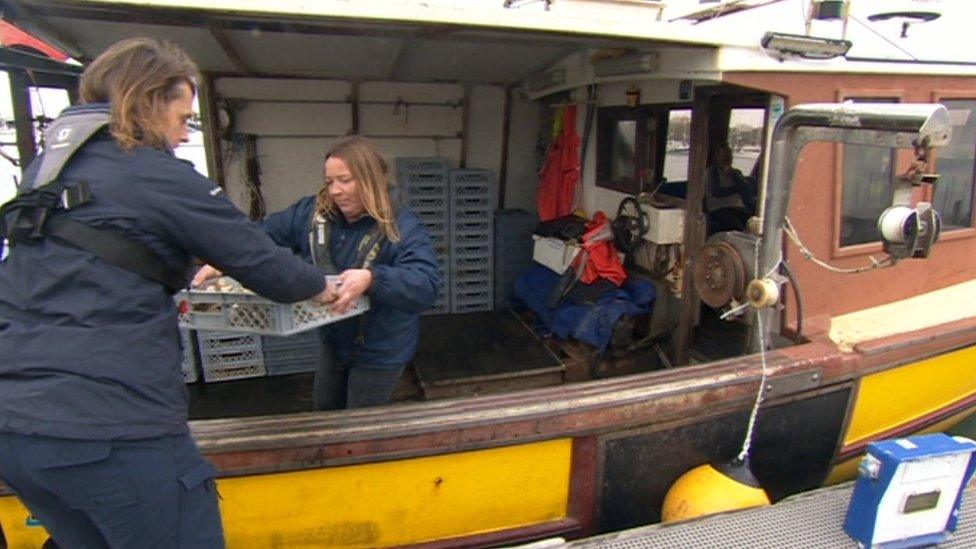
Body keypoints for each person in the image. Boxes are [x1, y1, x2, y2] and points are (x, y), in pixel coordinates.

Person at [0, 38, 333, 548]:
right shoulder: (153, 172)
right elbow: (272, 269)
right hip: (110, 431)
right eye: (182, 117)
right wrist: (326, 286)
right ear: (148, 101)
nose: (182, 135)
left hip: (18, 432)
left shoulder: (49, 172)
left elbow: (104, 257)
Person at [194, 136, 441, 410]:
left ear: (371, 179)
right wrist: (225, 260)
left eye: (345, 180)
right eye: (330, 181)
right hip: (333, 341)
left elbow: (426, 285)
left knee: (360, 421)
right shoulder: (310, 214)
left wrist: (373, 278)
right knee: (325, 410)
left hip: (381, 349)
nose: (335, 190)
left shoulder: (403, 225)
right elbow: (262, 237)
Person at [704, 144, 757, 232]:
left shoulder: (736, 172)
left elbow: (748, 192)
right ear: (716, 156)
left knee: (752, 224)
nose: (727, 158)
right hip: (720, 208)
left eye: (729, 155)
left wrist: (735, 176)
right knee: (735, 226)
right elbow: (716, 192)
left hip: (739, 208)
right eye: (724, 155)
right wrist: (736, 189)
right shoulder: (712, 172)